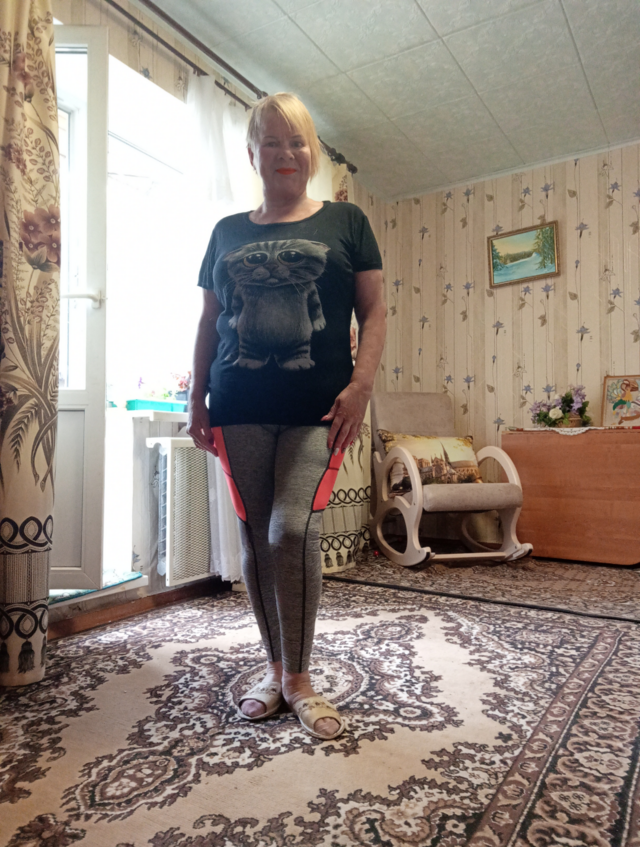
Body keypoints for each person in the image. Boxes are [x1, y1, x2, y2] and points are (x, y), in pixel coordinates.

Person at [187, 92, 386, 741]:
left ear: (312, 153)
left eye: (296, 140)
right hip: (237, 404)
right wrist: (195, 397)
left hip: (318, 407)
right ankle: (275, 670)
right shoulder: (226, 231)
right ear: (252, 154)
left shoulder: (346, 221)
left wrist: (361, 386)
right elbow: (210, 320)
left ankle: (299, 678)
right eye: (270, 142)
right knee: (254, 538)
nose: (284, 153)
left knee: (290, 531)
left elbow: (374, 311)